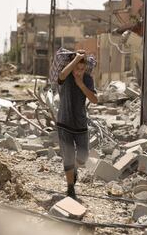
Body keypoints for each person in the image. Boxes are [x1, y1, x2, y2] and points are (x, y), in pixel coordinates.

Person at [56, 52, 98, 199]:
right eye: (76, 68)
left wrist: (81, 84)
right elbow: (61, 76)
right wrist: (75, 61)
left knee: (83, 157)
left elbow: (94, 100)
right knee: (67, 156)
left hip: (80, 123)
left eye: (82, 68)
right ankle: (70, 188)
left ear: (85, 68)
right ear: (72, 66)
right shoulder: (66, 76)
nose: (79, 71)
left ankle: (74, 169)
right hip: (64, 122)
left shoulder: (87, 79)